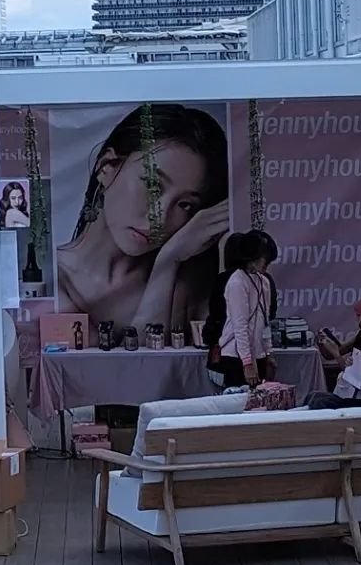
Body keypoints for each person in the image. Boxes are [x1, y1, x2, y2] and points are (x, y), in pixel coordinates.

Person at [56, 103, 229, 331]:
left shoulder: (188, 284)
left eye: (185, 204)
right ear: (105, 168)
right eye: (153, 186)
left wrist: (168, 263)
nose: (160, 218)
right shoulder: (53, 278)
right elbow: (134, 356)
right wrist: (166, 267)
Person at [212, 230, 275, 388]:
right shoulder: (237, 282)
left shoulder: (264, 282)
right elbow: (240, 326)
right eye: (265, 259)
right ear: (253, 255)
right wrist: (247, 362)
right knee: (239, 400)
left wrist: (269, 353)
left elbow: (265, 321)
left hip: (258, 354)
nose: (267, 264)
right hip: (236, 356)